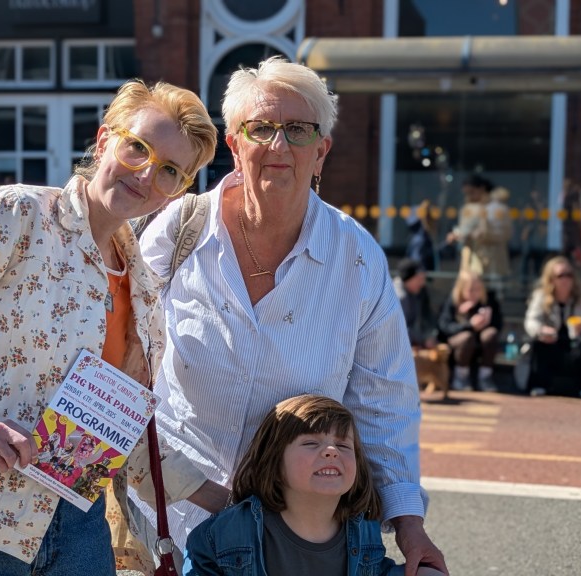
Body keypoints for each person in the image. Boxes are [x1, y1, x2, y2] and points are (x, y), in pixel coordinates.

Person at [0, 79, 218, 575]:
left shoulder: (143, 286)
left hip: (75, 527)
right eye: (137, 147)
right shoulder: (15, 216)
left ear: (175, 193)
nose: (145, 174)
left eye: (168, 172)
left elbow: (122, 432)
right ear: (103, 141)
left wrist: (230, 498)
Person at [137, 56, 447, 574]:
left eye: (299, 130)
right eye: (262, 128)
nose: (280, 147)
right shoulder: (177, 234)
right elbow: (125, 364)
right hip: (168, 522)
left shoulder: (356, 258)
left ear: (321, 151)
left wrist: (410, 526)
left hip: (288, 539)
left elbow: (383, 404)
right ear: (234, 144)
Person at [183, 395, 445, 576]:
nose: (331, 451)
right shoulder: (231, 529)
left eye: (344, 445)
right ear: (273, 462)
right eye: (311, 443)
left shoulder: (362, 528)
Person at [523, 256, 581, 398]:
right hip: (552, 346)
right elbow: (530, 322)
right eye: (561, 276)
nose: (566, 280)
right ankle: (539, 385)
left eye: (569, 275)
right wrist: (542, 330)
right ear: (551, 279)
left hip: (575, 349)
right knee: (538, 341)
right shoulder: (541, 296)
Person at [436, 270, 503, 392]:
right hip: (459, 343)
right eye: (471, 289)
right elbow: (444, 327)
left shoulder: (488, 301)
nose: (475, 293)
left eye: (478, 289)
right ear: (461, 288)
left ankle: (485, 377)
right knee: (467, 337)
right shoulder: (452, 301)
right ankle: (460, 377)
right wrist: (468, 324)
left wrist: (486, 321)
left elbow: (498, 325)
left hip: (480, 341)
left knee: (491, 334)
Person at [445, 175, 490, 275]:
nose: (469, 196)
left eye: (472, 192)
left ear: (481, 189)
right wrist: (455, 234)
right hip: (467, 252)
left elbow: (484, 231)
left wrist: (466, 234)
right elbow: (463, 227)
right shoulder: (467, 207)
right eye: (466, 193)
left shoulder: (487, 207)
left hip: (483, 254)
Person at [394, 258, 436, 349]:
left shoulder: (418, 292)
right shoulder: (399, 297)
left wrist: (429, 334)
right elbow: (400, 329)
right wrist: (423, 339)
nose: (423, 283)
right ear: (408, 279)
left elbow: (427, 316)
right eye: (419, 279)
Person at [405, 199, 437, 271]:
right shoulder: (420, 239)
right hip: (419, 275)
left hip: (426, 273)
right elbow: (416, 262)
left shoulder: (426, 237)